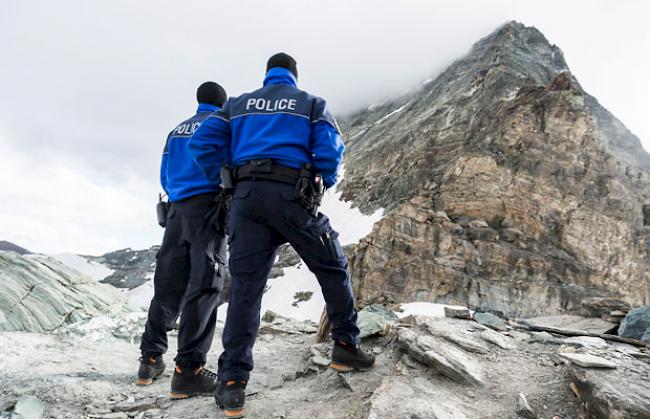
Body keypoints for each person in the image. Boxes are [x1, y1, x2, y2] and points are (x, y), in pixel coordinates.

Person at [188, 53, 375, 418]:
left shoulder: (236, 105)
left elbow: (201, 145)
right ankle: (345, 346)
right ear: (294, 75)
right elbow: (331, 149)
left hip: (245, 201)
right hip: (291, 194)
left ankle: (231, 384)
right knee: (332, 266)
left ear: (267, 75)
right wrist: (321, 180)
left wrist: (228, 176)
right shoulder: (310, 103)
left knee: (245, 290)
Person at [137, 81, 228, 399]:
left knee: (168, 285)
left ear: (198, 101)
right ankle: (189, 371)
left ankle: (149, 360)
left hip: (175, 213)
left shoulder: (176, 130)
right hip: (207, 211)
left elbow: (164, 173)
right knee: (205, 286)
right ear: (222, 102)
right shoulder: (222, 125)